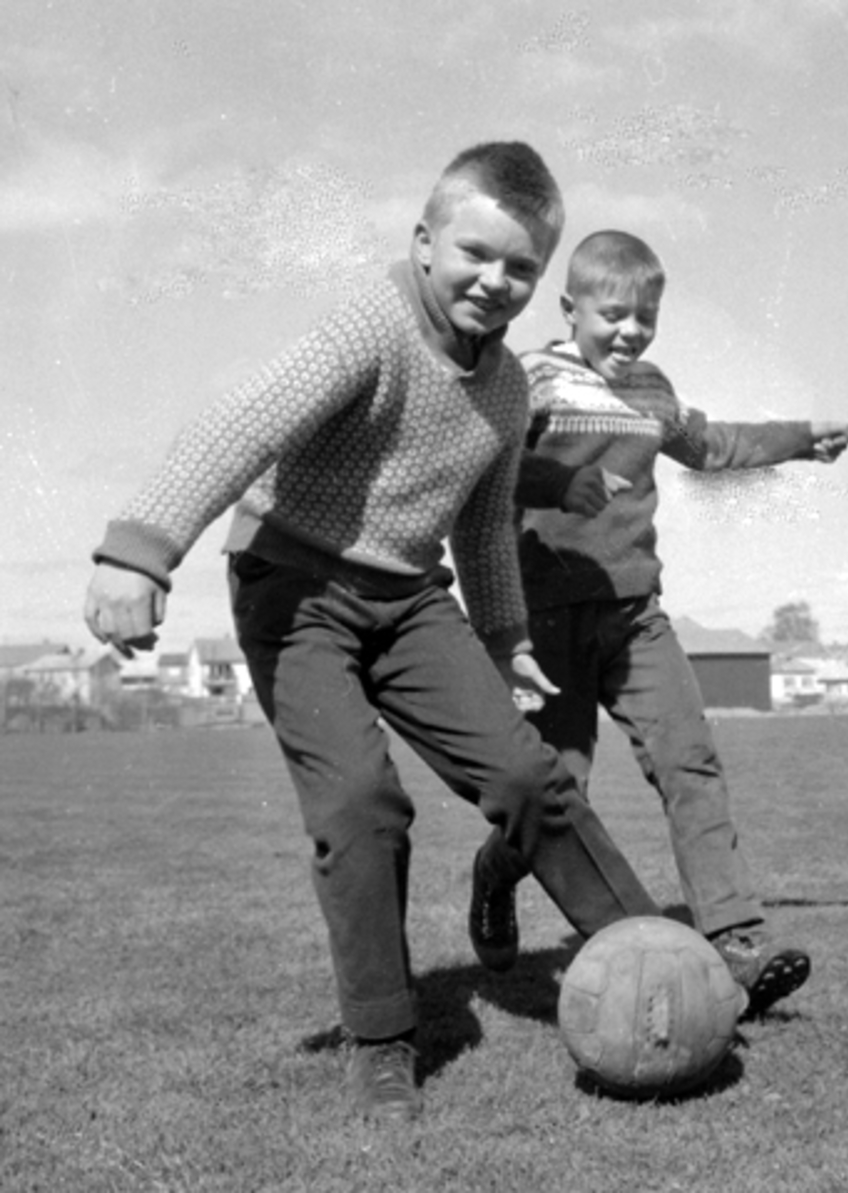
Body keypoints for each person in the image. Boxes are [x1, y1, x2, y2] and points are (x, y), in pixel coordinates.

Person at [83, 147, 660, 1123]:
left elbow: (479, 524)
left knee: (527, 774)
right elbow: (242, 422)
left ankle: (654, 959)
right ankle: (383, 1037)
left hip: (406, 599)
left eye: (521, 267)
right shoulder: (371, 327)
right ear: (425, 240)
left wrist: (505, 632)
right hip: (292, 586)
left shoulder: (509, 387)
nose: (495, 280)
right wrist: (138, 552)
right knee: (359, 797)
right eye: (476, 252)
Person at [469, 229, 848, 1017]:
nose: (631, 332)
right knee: (558, 790)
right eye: (614, 315)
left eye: (645, 318)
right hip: (545, 626)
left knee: (691, 761)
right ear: (570, 308)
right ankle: (493, 877)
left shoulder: (651, 390)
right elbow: (487, 474)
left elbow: (711, 444)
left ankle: (736, 941)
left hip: (636, 617)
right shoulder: (528, 380)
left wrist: (801, 440)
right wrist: (556, 486)